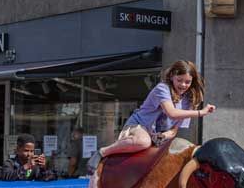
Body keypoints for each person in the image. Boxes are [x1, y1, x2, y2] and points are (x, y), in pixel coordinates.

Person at [87, 60, 216, 173]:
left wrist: (162, 136)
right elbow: (172, 113)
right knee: (143, 141)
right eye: (180, 80)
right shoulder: (163, 89)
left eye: (187, 82)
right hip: (139, 126)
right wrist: (200, 113)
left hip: (156, 136)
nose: (183, 85)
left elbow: (174, 130)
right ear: (172, 76)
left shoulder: (188, 100)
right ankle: (103, 151)